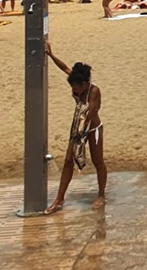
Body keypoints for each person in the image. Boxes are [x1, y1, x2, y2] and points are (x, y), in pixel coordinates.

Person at [43, 42, 106, 214]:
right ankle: (59, 198)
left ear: (85, 84)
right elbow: (64, 68)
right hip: (77, 126)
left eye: (76, 87)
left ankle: (101, 195)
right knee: (68, 161)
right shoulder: (77, 81)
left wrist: (82, 133)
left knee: (98, 161)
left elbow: (92, 111)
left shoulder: (94, 91)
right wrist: (51, 54)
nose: (74, 89)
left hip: (92, 128)